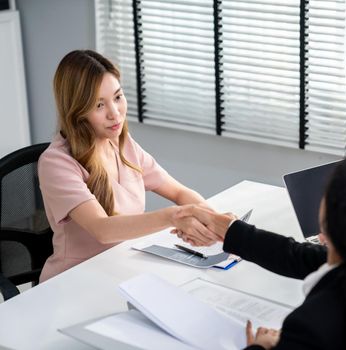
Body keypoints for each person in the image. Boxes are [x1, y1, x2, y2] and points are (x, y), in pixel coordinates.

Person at [175, 150, 346, 350]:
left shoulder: (309, 326)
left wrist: (263, 347)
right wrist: (229, 229)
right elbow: (296, 255)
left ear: (328, 218)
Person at [38, 50, 218, 282]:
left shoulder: (124, 146)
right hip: (74, 282)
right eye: (99, 105)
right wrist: (174, 216)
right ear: (77, 111)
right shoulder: (56, 163)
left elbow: (179, 191)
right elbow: (103, 229)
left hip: (122, 269)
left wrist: (216, 222)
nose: (115, 113)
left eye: (117, 97)